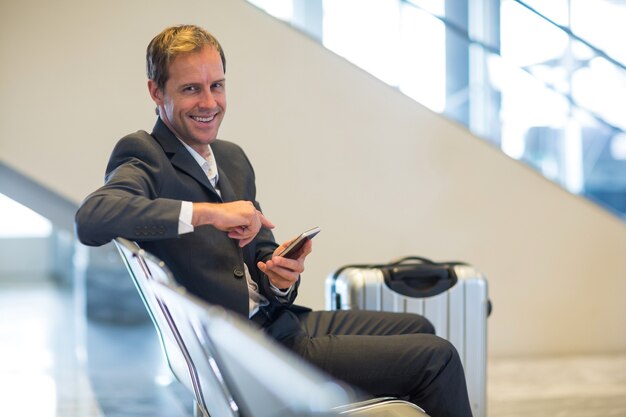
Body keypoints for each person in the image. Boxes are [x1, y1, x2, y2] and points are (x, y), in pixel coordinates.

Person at [75, 24, 473, 417]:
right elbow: (93, 219)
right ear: (156, 92)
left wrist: (280, 277)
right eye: (191, 88)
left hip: (279, 322)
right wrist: (210, 213)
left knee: (418, 325)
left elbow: (261, 252)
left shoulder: (231, 157)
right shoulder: (145, 153)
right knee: (436, 359)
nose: (209, 102)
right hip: (251, 354)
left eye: (217, 85)